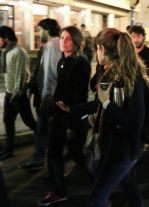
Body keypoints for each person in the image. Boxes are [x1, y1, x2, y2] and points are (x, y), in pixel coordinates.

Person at [57, 28, 148, 207]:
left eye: (97, 49)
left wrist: (108, 104)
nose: (96, 53)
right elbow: (98, 103)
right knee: (129, 186)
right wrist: (71, 109)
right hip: (112, 146)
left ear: (102, 49)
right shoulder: (110, 72)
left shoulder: (132, 78)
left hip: (125, 150)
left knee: (97, 198)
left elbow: (135, 123)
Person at [38, 26, 91, 206]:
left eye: (68, 38)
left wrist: (69, 110)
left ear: (76, 42)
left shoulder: (79, 62)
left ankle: (59, 191)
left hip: (69, 115)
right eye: (62, 37)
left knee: (55, 152)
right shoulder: (63, 60)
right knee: (74, 154)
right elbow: (60, 89)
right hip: (61, 112)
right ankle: (95, 181)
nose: (63, 41)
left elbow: (80, 92)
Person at [20, 18, 62, 170]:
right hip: (49, 96)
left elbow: (50, 75)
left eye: (40, 30)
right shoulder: (52, 45)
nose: (38, 33)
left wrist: (45, 96)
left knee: (44, 130)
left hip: (48, 97)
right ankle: (47, 162)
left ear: (47, 30)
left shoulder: (53, 45)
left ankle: (42, 162)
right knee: (45, 130)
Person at [0, 26, 37, 159]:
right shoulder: (5, 51)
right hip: (10, 92)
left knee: (28, 121)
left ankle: (45, 140)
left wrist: (16, 94)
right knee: (8, 121)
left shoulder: (19, 52)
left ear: (6, 38)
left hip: (18, 95)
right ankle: (9, 149)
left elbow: (21, 75)